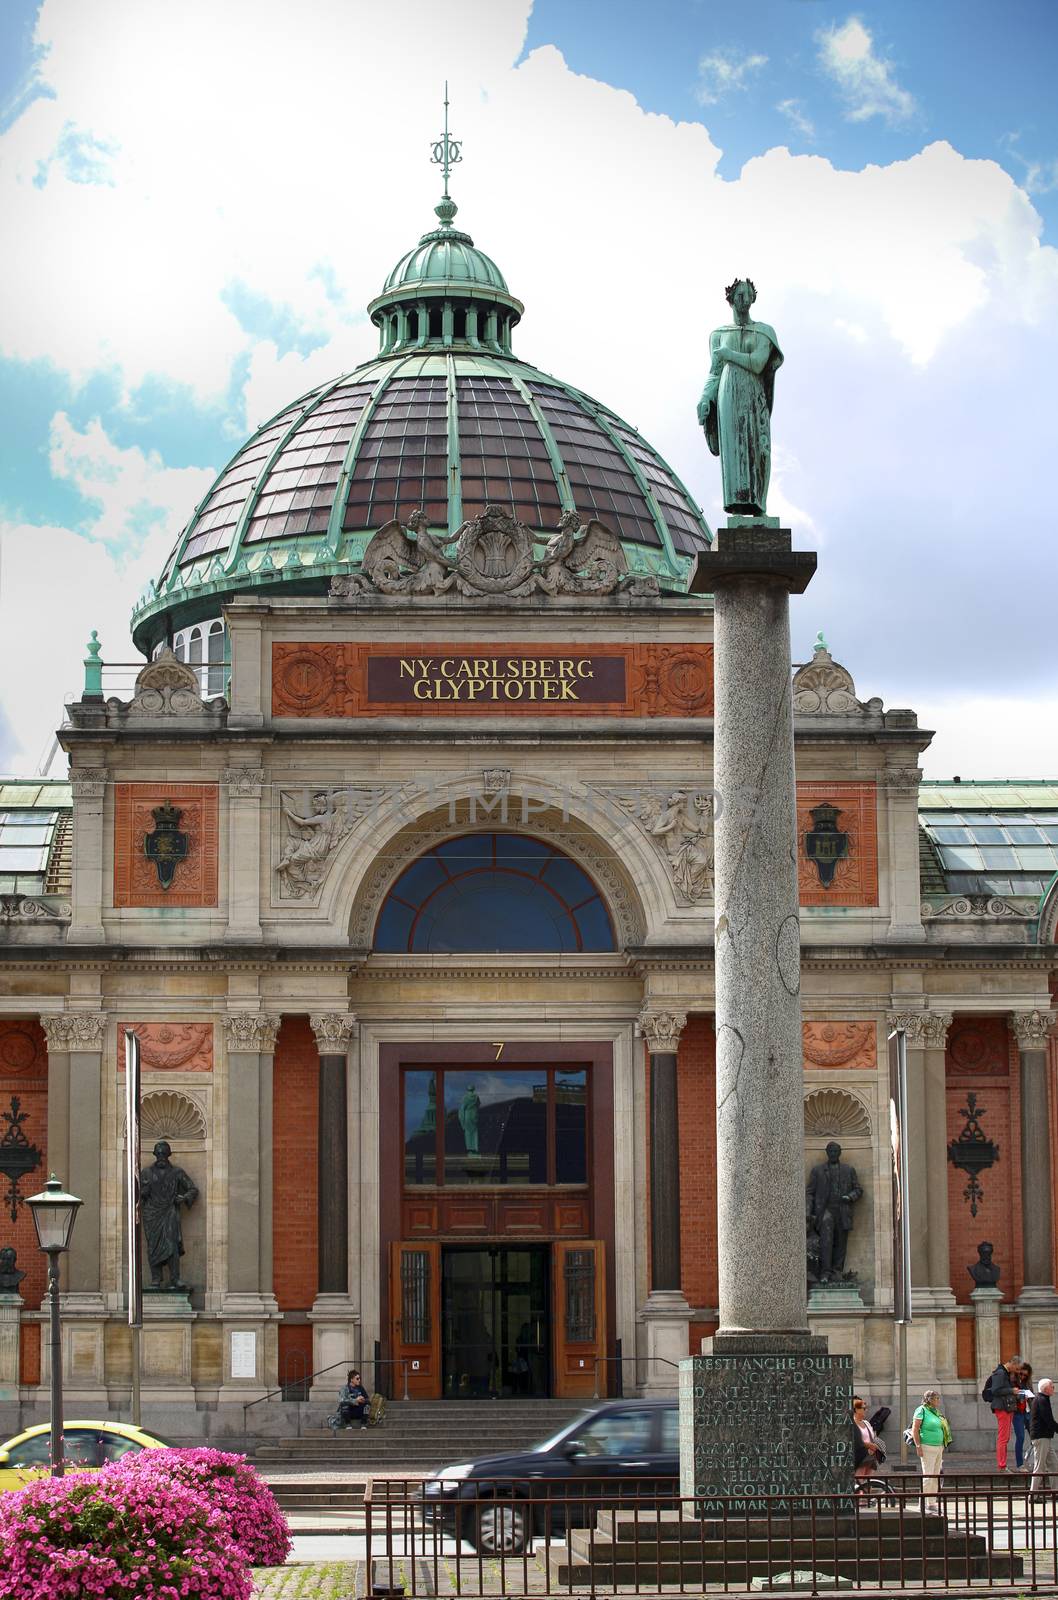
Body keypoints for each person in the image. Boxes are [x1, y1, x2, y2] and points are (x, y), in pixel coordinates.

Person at [697, 278, 783, 516]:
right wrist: (705, 398)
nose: (744, 301)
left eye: (748, 296)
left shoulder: (764, 332)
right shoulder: (718, 334)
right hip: (729, 397)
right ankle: (736, 505)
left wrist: (728, 354)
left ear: (753, 298)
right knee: (734, 450)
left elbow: (757, 364)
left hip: (755, 397)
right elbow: (714, 372)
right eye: (739, 296)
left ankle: (760, 507)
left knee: (759, 449)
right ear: (731, 299)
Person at [139, 1140, 198, 1291]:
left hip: (170, 1212)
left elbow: (192, 1189)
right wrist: (142, 1193)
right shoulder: (146, 1173)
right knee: (153, 1246)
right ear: (154, 1154)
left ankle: (175, 1279)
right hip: (151, 1214)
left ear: (168, 1154)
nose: (161, 1156)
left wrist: (183, 1198)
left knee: (172, 1246)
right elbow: (136, 1195)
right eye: (158, 1153)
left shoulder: (177, 1173)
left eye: (164, 1153)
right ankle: (156, 1279)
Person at [805, 1141, 863, 1281]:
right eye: (830, 1151)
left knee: (841, 1243)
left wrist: (849, 1197)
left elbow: (858, 1189)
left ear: (839, 1153)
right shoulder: (817, 1171)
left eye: (835, 1151)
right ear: (827, 1152)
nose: (833, 1154)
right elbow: (810, 1193)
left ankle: (837, 1271)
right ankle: (825, 1272)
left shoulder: (848, 1170)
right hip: (825, 1211)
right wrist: (808, 1212)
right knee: (826, 1241)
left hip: (842, 1210)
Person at [911, 1388, 949, 1514]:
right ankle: (922, 1502)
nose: (938, 1400)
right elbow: (915, 1429)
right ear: (929, 1399)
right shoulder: (921, 1410)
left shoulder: (935, 1412)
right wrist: (918, 1446)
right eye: (936, 1398)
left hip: (938, 1447)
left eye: (938, 1398)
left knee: (936, 1475)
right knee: (928, 1475)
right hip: (927, 1446)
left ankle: (932, 1502)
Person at [986, 1354, 1023, 1471]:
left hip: (1006, 1407)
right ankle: (1002, 1465)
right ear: (1012, 1363)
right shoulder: (1001, 1373)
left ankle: (1003, 1464)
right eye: (1017, 1368)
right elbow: (995, 1390)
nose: (1017, 1371)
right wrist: (1011, 1390)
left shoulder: (1004, 1373)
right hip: (1002, 1408)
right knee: (1003, 1438)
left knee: (1005, 1437)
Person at [1029, 1378, 1057, 1494]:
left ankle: (1055, 1491)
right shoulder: (1041, 1400)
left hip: (1045, 1437)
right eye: (1052, 1386)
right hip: (1041, 1437)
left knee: (1054, 1465)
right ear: (1046, 1389)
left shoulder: (1043, 1399)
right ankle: (1033, 1495)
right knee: (1039, 1467)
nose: (1054, 1388)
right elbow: (1048, 1420)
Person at [852, 1396, 882, 1488]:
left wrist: (874, 1445)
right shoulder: (852, 1424)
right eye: (863, 1408)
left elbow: (873, 1437)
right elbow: (855, 1441)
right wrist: (868, 1445)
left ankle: (865, 1501)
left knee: (868, 1483)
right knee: (858, 1482)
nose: (866, 1410)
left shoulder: (866, 1423)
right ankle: (858, 1501)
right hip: (860, 1457)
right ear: (856, 1410)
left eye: (866, 1408)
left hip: (870, 1458)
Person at [1013, 1362, 1035, 1471]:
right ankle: (1020, 1464)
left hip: (1028, 1411)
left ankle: (1033, 1460)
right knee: (1020, 1437)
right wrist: (1020, 1395)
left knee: (1035, 1437)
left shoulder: (1028, 1382)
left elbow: (1033, 1398)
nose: (1023, 1377)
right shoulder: (1013, 1381)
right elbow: (1010, 1396)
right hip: (1017, 1413)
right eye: (1021, 1374)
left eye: (1025, 1375)